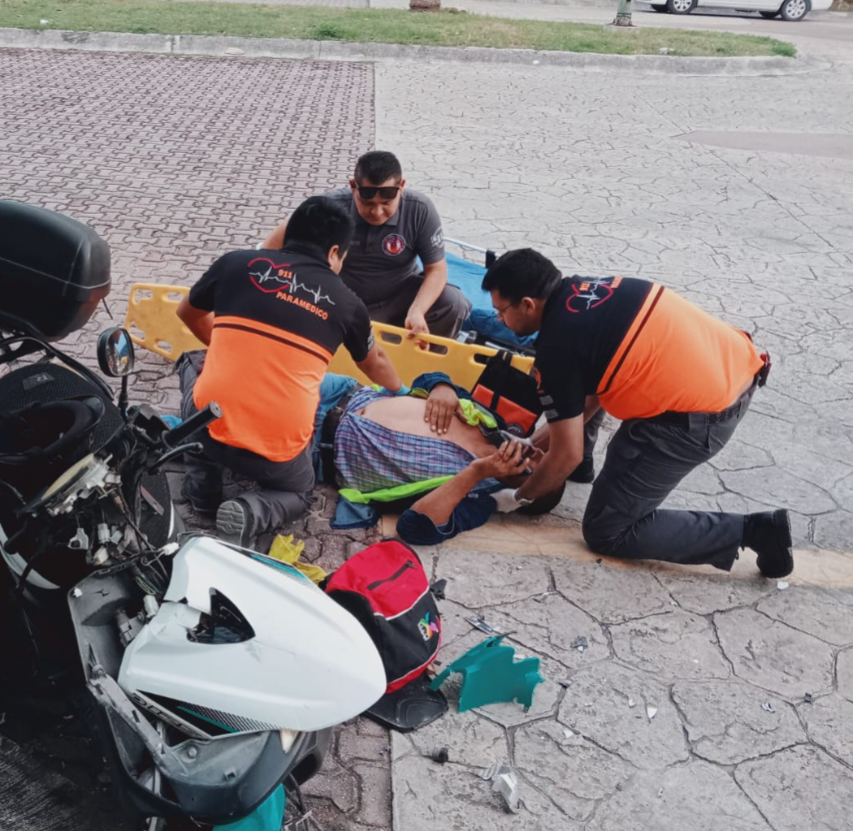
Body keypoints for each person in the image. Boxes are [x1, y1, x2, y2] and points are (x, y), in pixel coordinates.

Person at [481, 249, 792, 577]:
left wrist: (519, 497)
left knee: (606, 530)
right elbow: (587, 397)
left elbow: (565, 454)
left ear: (528, 304)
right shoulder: (593, 289)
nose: (498, 320)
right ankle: (588, 470)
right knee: (589, 387)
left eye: (501, 312)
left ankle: (756, 532)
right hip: (738, 366)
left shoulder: (557, 350)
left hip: (700, 420)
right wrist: (536, 441)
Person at [176, 195, 406, 548]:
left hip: (209, 425)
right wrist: (401, 390)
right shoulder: (346, 303)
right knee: (301, 492)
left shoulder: (236, 264)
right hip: (276, 455)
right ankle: (251, 509)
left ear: (287, 236)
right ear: (334, 253)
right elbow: (375, 364)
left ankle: (202, 489)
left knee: (193, 363)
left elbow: (186, 313)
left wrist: (224, 348)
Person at [313, 371, 564, 545]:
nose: (538, 451)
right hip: (340, 393)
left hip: (317, 448)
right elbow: (427, 379)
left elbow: (414, 528)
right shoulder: (493, 424)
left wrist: (477, 472)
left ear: (526, 488)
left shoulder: (478, 500)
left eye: (540, 462)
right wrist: (441, 387)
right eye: (546, 452)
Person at [261, 151, 472, 339]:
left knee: (453, 302)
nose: (377, 212)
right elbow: (274, 244)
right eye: (368, 204)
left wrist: (417, 309)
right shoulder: (330, 207)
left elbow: (436, 269)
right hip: (340, 299)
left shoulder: (420, 209)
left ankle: (425, 366)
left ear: (401, 187)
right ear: (353, 187)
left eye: (387, 204)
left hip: (398, 295)